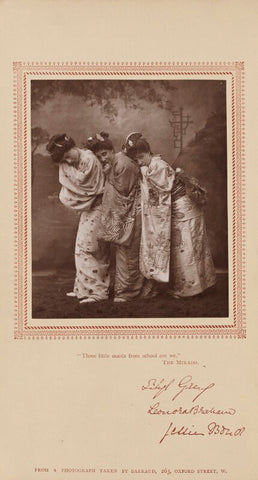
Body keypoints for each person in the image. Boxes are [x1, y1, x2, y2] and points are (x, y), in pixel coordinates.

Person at [123, 132, 216, 298]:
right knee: (185, 246)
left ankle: (190, 289)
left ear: (149, 152)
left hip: (183, 206)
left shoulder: (159, 166)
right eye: (136, 160)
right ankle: (197, 285)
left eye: (141, 157)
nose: (139, 162)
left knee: (187, 246)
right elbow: (148, 180)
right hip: (178, 206)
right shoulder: (151, 166)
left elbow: (159, 193)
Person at [46, 133, 110, 303]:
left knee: (87, 249)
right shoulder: (72, 163)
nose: (68, 162)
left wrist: (75, 189)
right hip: (90, 210)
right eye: (64, 160)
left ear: (73, 147)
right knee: (87, 248)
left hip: (99, 208)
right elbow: (71, 183)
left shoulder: (89, 159)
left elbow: (84, 185)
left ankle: (97, 292)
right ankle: (84, 288)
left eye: (68, 156)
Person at [85, 132, 146, 302]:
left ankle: (128, 292)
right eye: (99, 157)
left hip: (132, 211)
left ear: (112, 150)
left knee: (129, 254)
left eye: (104, 154)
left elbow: (123, 193)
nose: (103, 158)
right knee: (123, 252)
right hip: (125, 212)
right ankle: (125, 290)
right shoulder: (114, 162)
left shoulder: (123, 164)